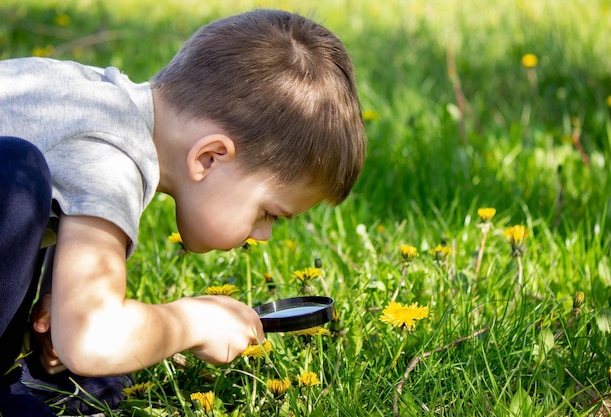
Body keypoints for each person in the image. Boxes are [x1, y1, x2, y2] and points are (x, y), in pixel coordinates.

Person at [0, 8, 366, 416]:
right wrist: (192, 321)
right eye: (269, 213)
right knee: (16, 171)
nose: (263, 235)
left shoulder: (88, 100)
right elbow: (90, 339)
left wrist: (61, 305)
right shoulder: (111, 158)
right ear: (209, 157)